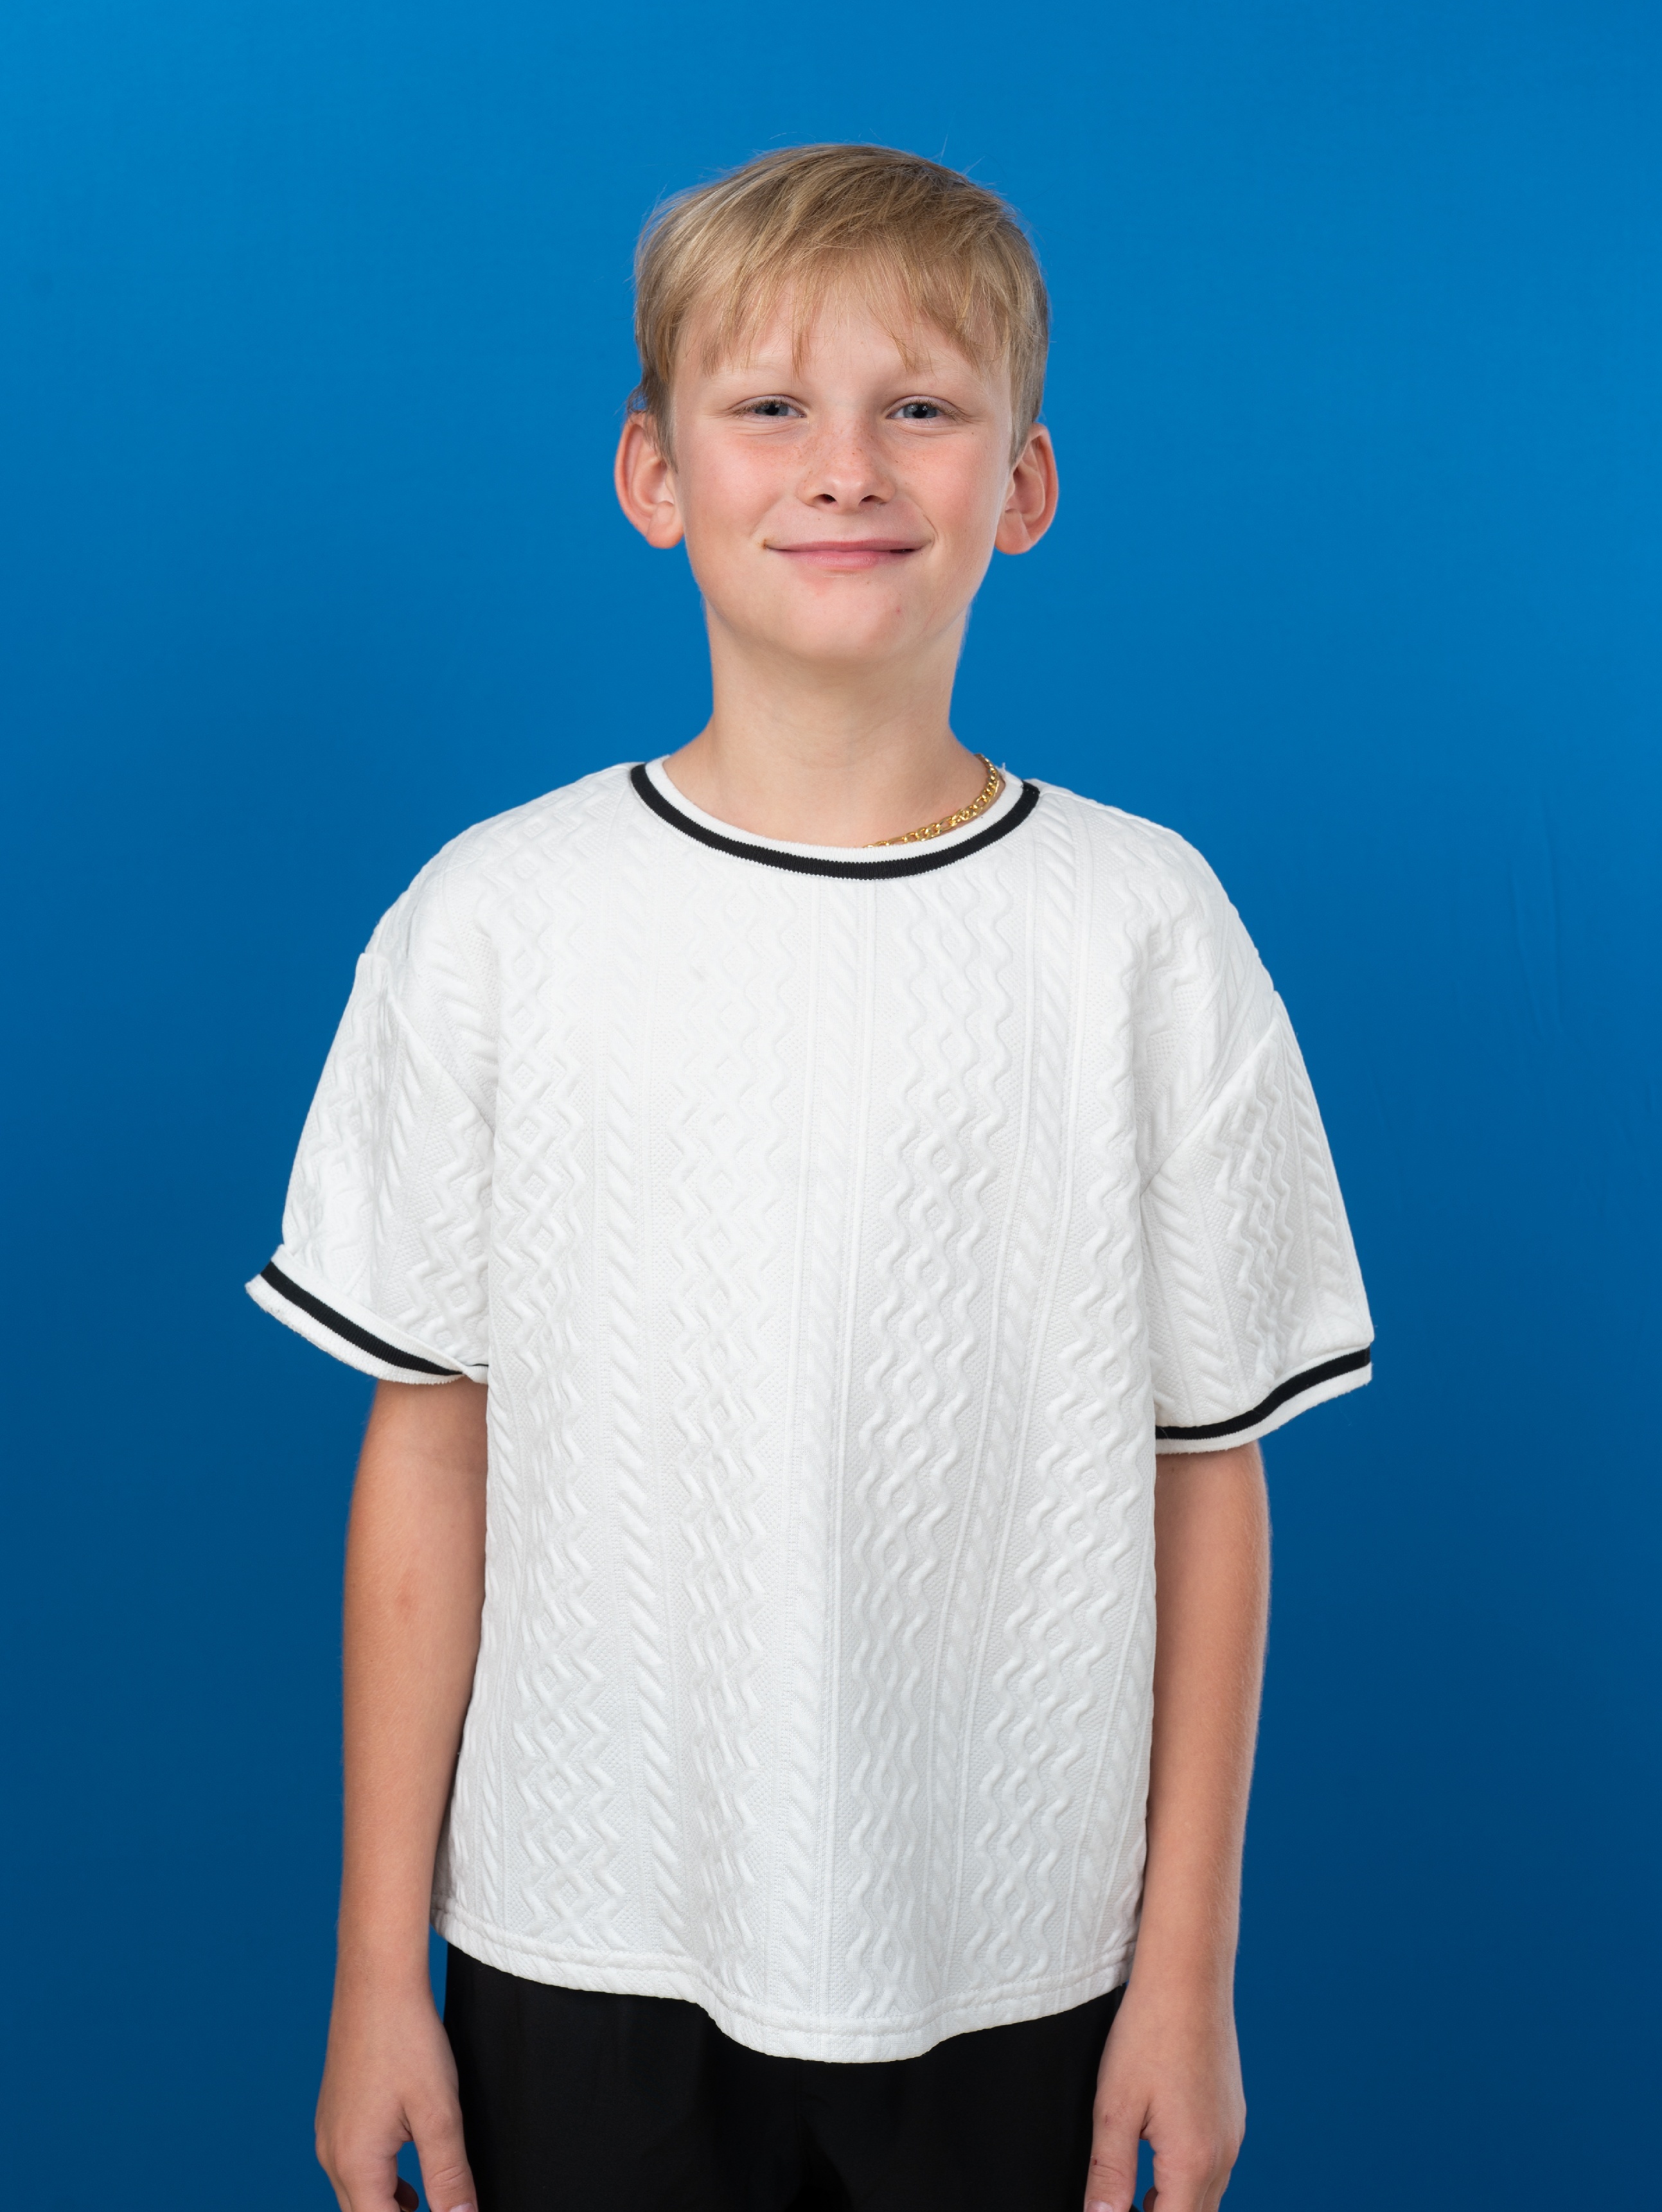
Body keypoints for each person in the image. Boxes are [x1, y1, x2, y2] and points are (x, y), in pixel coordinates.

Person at [249, 143, 1373, 2212]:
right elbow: (432, 1449)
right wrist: (373, 1969)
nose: (844, 466)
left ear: (1022, 484)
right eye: (769, 405)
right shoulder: (497, 916)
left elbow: (1205, 1468)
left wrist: (1188, 1974)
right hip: (582, 1928)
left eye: (919, 406)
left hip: (1023, 1944)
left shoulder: (1143, 927)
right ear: (653, 473)